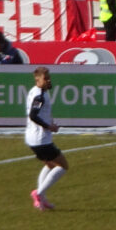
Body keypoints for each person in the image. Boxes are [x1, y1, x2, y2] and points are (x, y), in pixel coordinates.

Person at [25, 66, 68, 210]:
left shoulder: (37, 91)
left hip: (33, 138)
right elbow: (33, 115)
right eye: (46, 78)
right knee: (63, 166)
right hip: (40, 139)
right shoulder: (40, 96)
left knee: (49, 165)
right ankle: (39, 193)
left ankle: (41, 200)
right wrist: (49, 127)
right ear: (38, 80)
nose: (49, 81)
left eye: (49, 78)